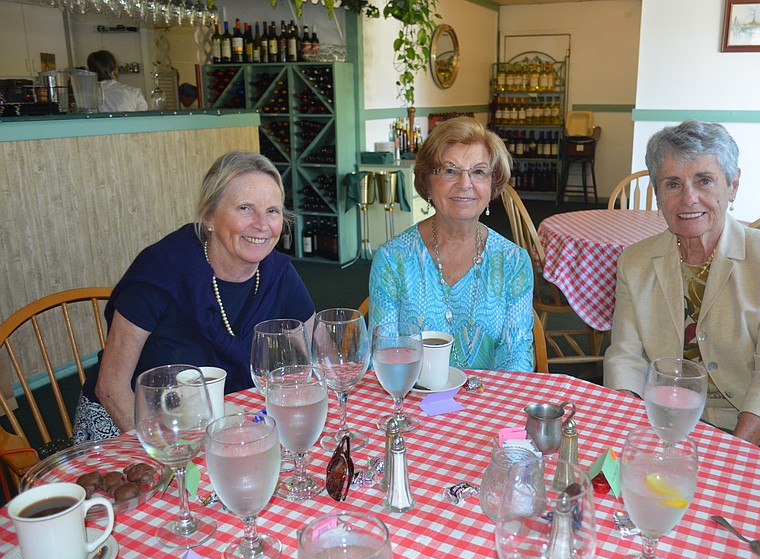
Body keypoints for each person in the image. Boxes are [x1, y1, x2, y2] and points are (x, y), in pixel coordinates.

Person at [603, 120, 760, 483]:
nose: (688, 199)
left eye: (705, 181)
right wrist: (630, 432)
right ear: (657, 193)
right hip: (673, 425)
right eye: (672, 184)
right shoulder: (635, 261)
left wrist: (730, 458)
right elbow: (626, 357)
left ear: (733, 185)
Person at [73, 151, 315, 442]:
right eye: (245, 208)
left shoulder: (278, 273)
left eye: (272, 211)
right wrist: (166, 453)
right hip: (134, 426)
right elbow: (111, 388)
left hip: (221, 422)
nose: (262, 225)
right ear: (209, 216)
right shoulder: (161, 272)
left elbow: (316, 354)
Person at [369, 117, 534, 372]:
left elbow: (517, 357)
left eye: (478, 172)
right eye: (449, 171)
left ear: (492, 184)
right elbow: (383, 355)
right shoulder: (394, 259)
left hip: (489, 394)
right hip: (413, 393)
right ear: (427, 182)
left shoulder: (512, 262)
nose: (465, 184)